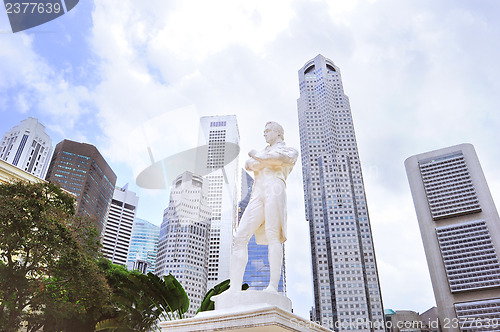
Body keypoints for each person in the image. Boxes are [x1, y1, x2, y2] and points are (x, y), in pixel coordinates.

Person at [229, 121, 298, 293]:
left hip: (274, 189)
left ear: (278, 133)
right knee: (240, 237)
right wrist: (264, 159)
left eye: (268, 131)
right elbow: (248, 165)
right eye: (264, 131)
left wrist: (257, 156)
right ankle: (234, 288)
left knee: (273, 236)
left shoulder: (289, 150)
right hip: (257, 194)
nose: (264, 134)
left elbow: (281, 159)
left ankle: (273, 287)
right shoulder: (263, 152)